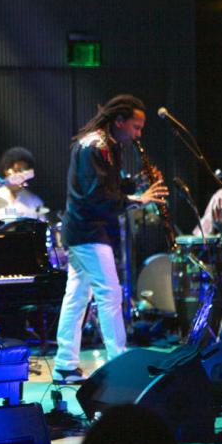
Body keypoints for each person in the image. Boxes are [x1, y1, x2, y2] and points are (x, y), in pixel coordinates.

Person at [53, 94, 168, 384]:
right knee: (110, 294)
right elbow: (97, 196)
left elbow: (108, 186)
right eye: (136, 127)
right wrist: (137, 199)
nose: (138, 134)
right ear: (119, 122)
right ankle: (119, 363)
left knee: (77, 297)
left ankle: (65, 365)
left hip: (84, 230)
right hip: (88, 231)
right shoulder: (96, 146)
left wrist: (140, 183)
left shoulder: (106, 145)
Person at [0, 146, 46, 221]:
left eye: (24, 172)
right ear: (6, 170)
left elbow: (42, 228)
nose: (21, 176)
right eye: (17, 170)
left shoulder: (36, 201)